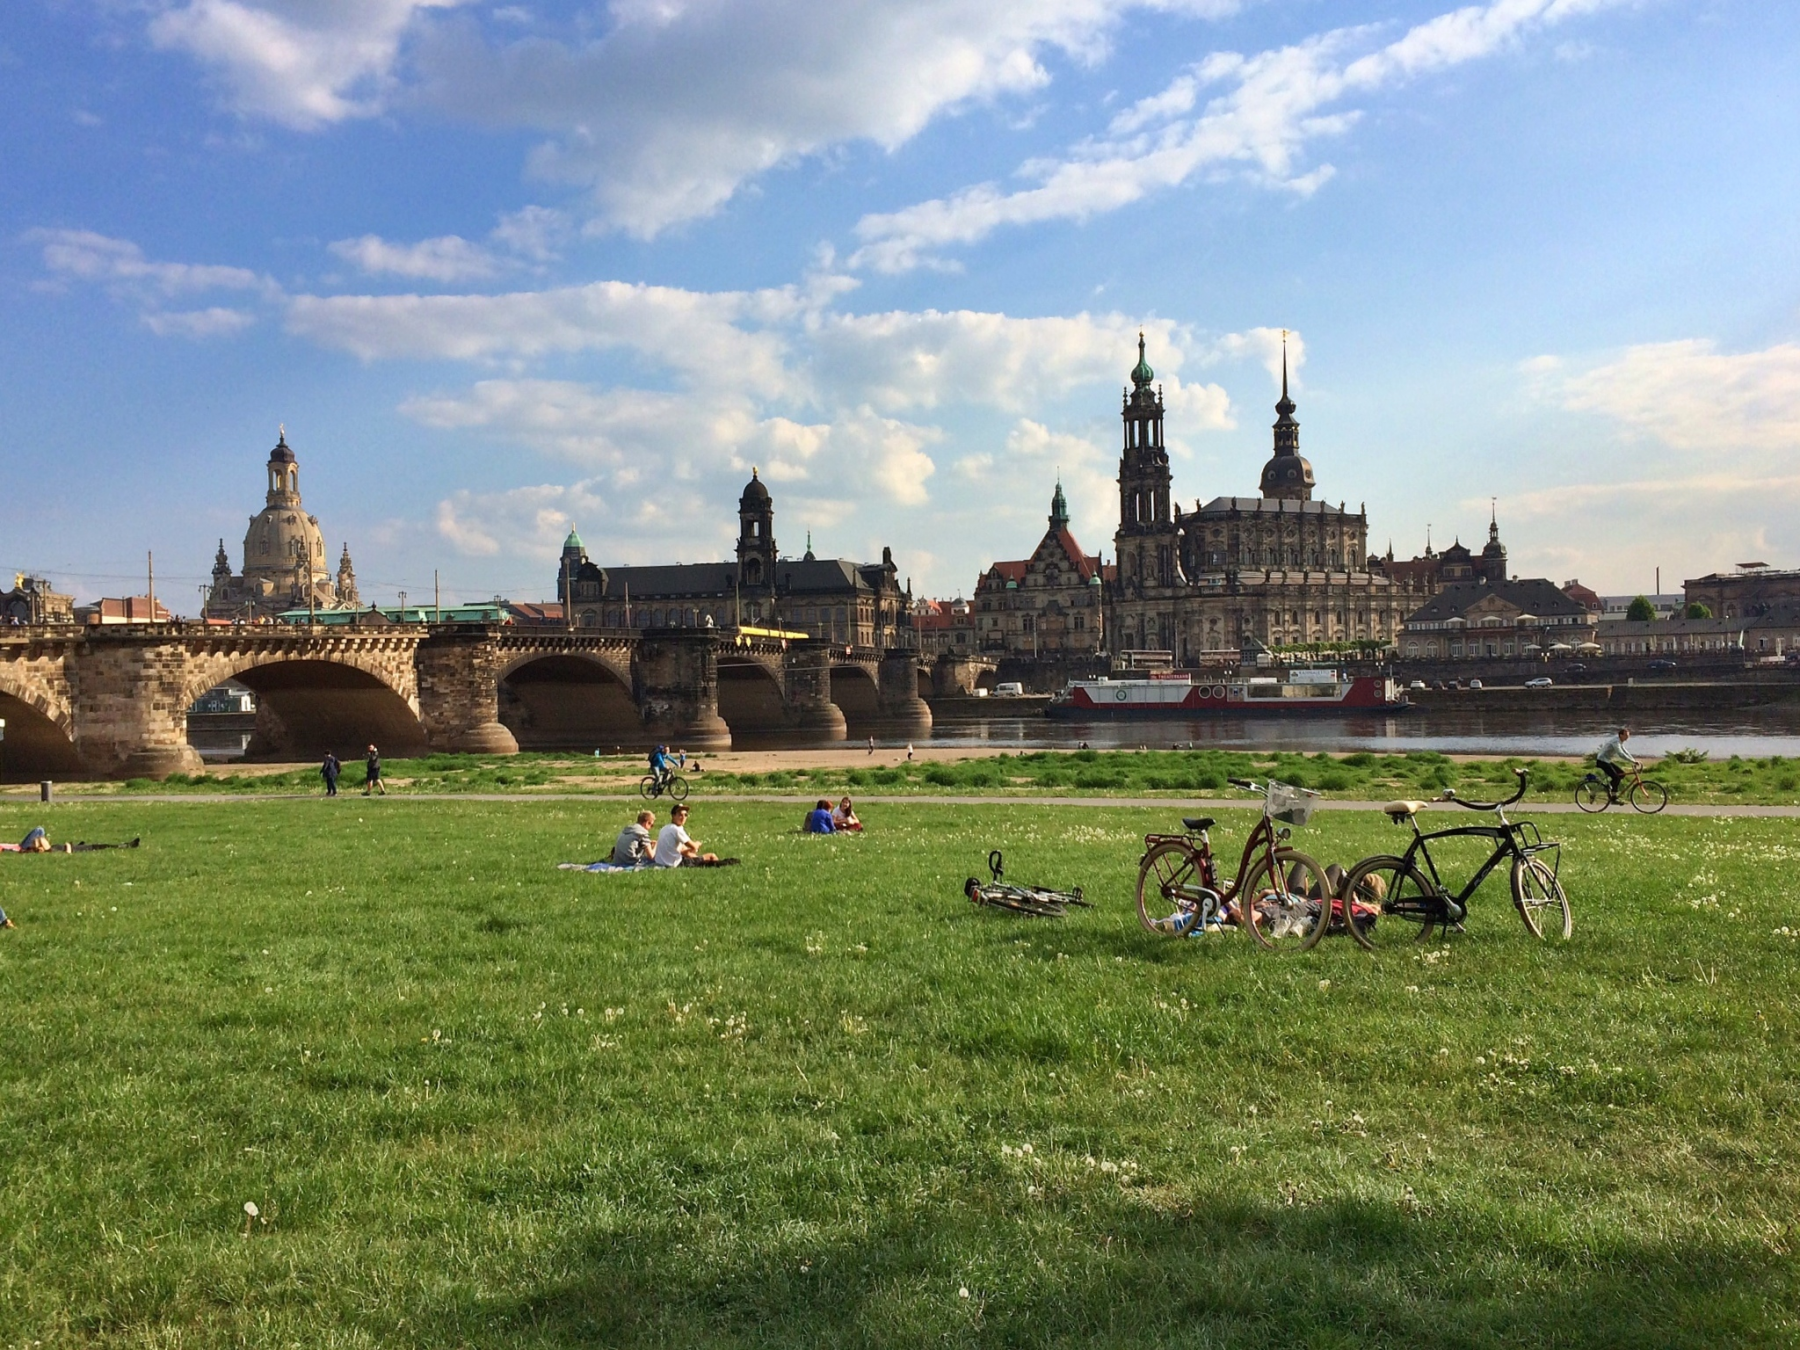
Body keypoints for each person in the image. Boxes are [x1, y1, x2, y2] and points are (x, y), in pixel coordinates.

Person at [653, 803, 719, 866]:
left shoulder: (665, 828)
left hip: (661, 862)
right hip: (674, 864)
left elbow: (682, 850)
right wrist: (698, 843)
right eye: (680, 815)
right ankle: (719, 868)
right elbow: (694, 847)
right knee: (711, 856)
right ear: (673, 816)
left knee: (692, 856)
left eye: (685, 815)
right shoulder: (677, 830)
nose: (683, 817)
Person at [1595, 726, 1638, 799]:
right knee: (1616, 778)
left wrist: (1634, 760)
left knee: (1622, 774)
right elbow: (1621, 754)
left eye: (1628, 735)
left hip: (1607, 760)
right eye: (1626, 735)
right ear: (1621, 735)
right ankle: (1613, 797)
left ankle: (1609, 788)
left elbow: (1625, 751)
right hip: (1602, 761)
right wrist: (1632, 761)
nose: (1627, 737)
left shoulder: (1620, 741)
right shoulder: (1616, 742)